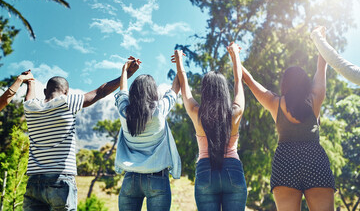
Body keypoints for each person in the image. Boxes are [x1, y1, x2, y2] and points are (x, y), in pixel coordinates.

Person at [22, 56, 140, 211]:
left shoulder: (30, 108)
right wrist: (126, 75)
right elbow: (101, 91)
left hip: (34, 182)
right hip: (60, 180)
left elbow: (29, 96)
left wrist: (30, 82)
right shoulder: (67, 102)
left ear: (45, 91)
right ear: (66, 92)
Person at [241, 49, 335, 210]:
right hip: (315, 161)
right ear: (306, 83)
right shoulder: (315, 98)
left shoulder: (274, 102)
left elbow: (248, 80)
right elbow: (321, 67)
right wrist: (321, 39)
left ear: (284, 84)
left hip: (285, 163)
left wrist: (235, 56)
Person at [172, 43, 247, 211]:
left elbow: (185, 88)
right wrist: (235, 56)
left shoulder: (196, 112)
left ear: (204, 91)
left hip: (206, 170)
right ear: (224, 92)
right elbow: (238, 83)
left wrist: (179, 63)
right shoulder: (235, 113)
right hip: (233, 170)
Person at [114, 60, 181, 211]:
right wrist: (179, 64)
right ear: (153, 92)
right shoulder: (159, 110)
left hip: (130, 179)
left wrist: (124, 70)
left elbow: (122, 91)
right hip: (157, 177)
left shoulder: (124, 112)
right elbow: (175, 89)